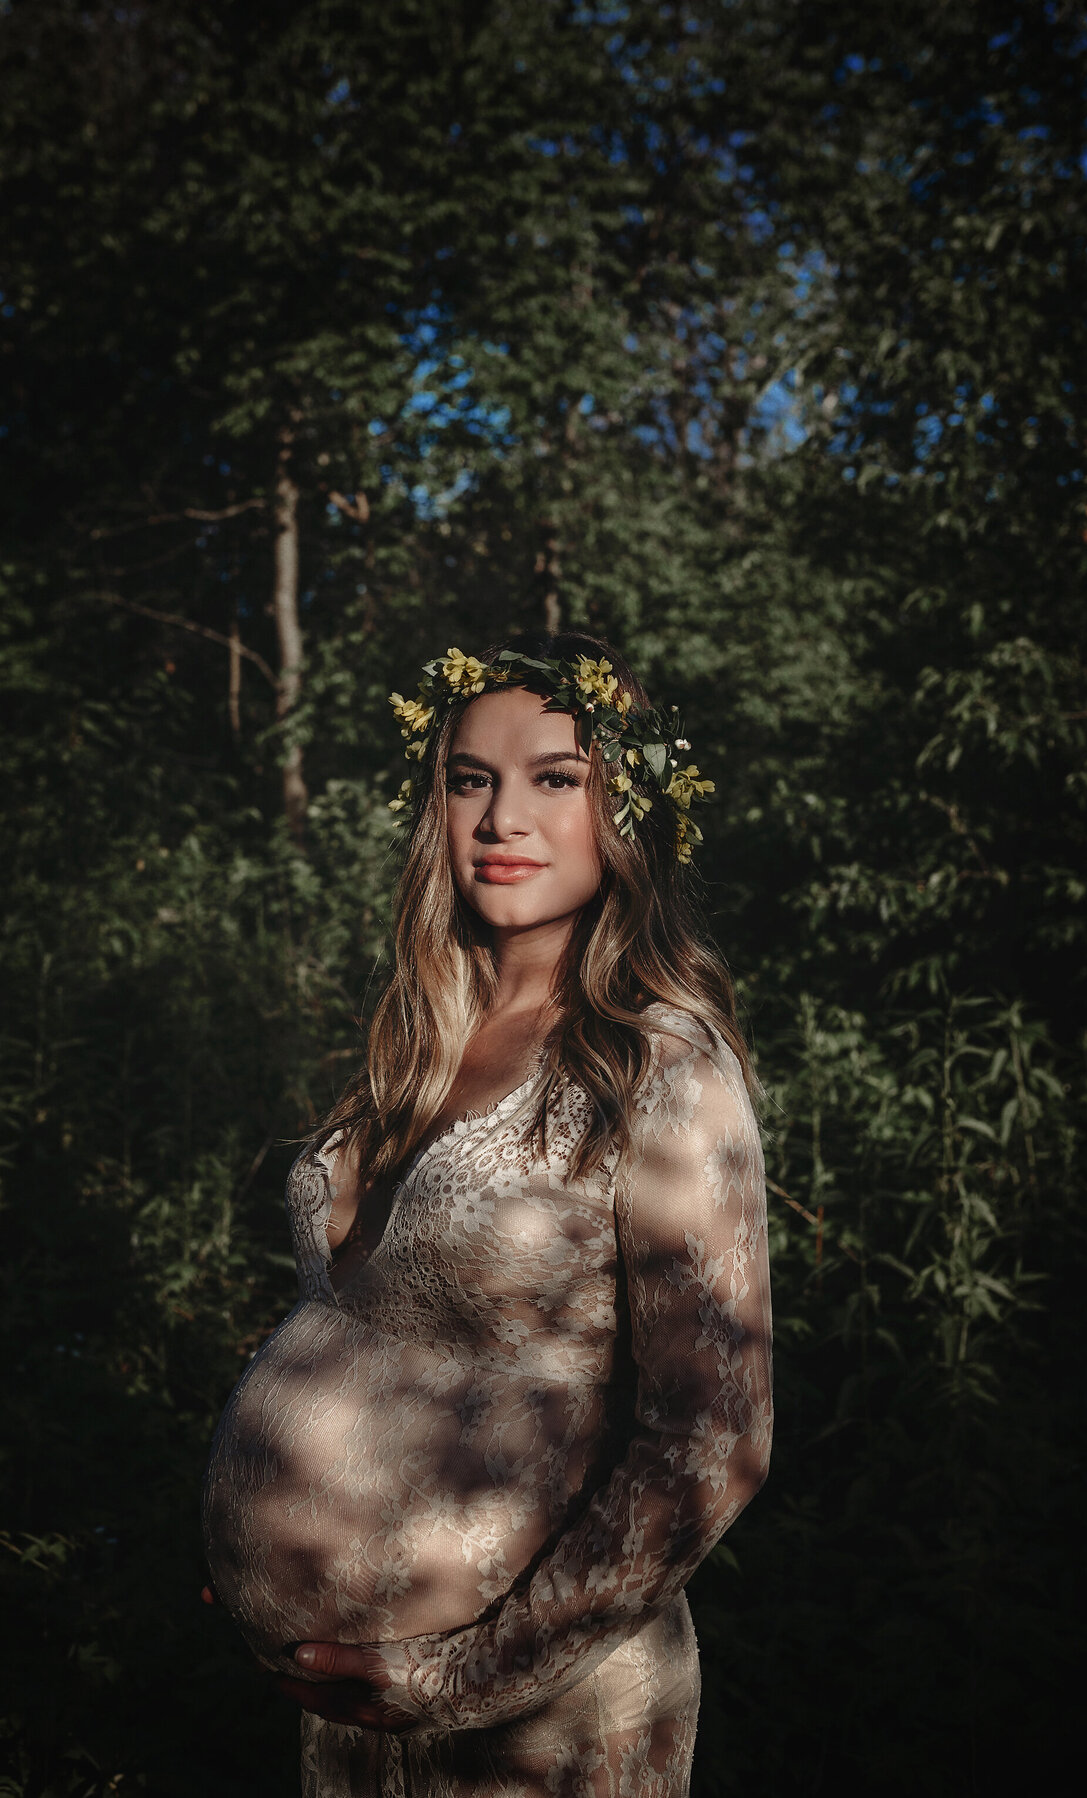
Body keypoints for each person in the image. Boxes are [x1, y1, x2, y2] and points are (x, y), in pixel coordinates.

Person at [201, 632, 773, 1797]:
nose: (501, 818)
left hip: (538, 1724)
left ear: (628, 811)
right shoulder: (423, 1036)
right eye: (472, 778)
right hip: (348, 1719)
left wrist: (459, 1680)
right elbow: (377, 1330)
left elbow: (714, 1445)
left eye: (555, 779)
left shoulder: (661, 1066)